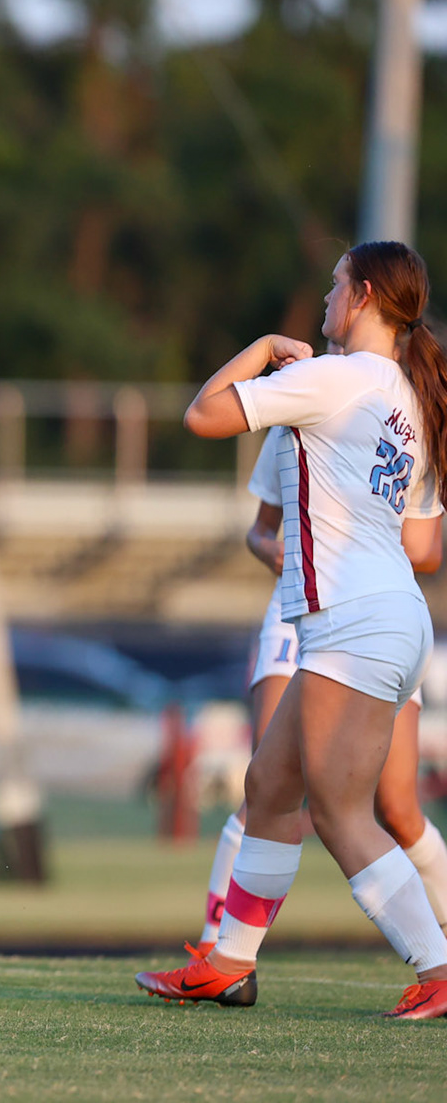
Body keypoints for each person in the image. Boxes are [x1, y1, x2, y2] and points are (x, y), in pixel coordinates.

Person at [140, 241, 447, 1019]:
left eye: (336, 284)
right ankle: (228, 965)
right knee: (269, 789)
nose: (325, 298)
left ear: (365, 294)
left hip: (355, 622)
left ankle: (439, 967)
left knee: (345, 815)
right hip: (382, 618)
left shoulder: (335, 377)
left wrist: (262, 351)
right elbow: (420, 544)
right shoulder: (404, 399)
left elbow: (203, 413)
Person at [195, 425, 447, 948]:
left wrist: (358, 542)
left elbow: (426, 549)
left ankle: (437, 955)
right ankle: (221, 950)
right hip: (302, 612)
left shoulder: (400, 414)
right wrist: (282, 553)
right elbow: (260, 528)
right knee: (266, 790)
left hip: (375, 614)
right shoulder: (298, 407)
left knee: (396, 809)